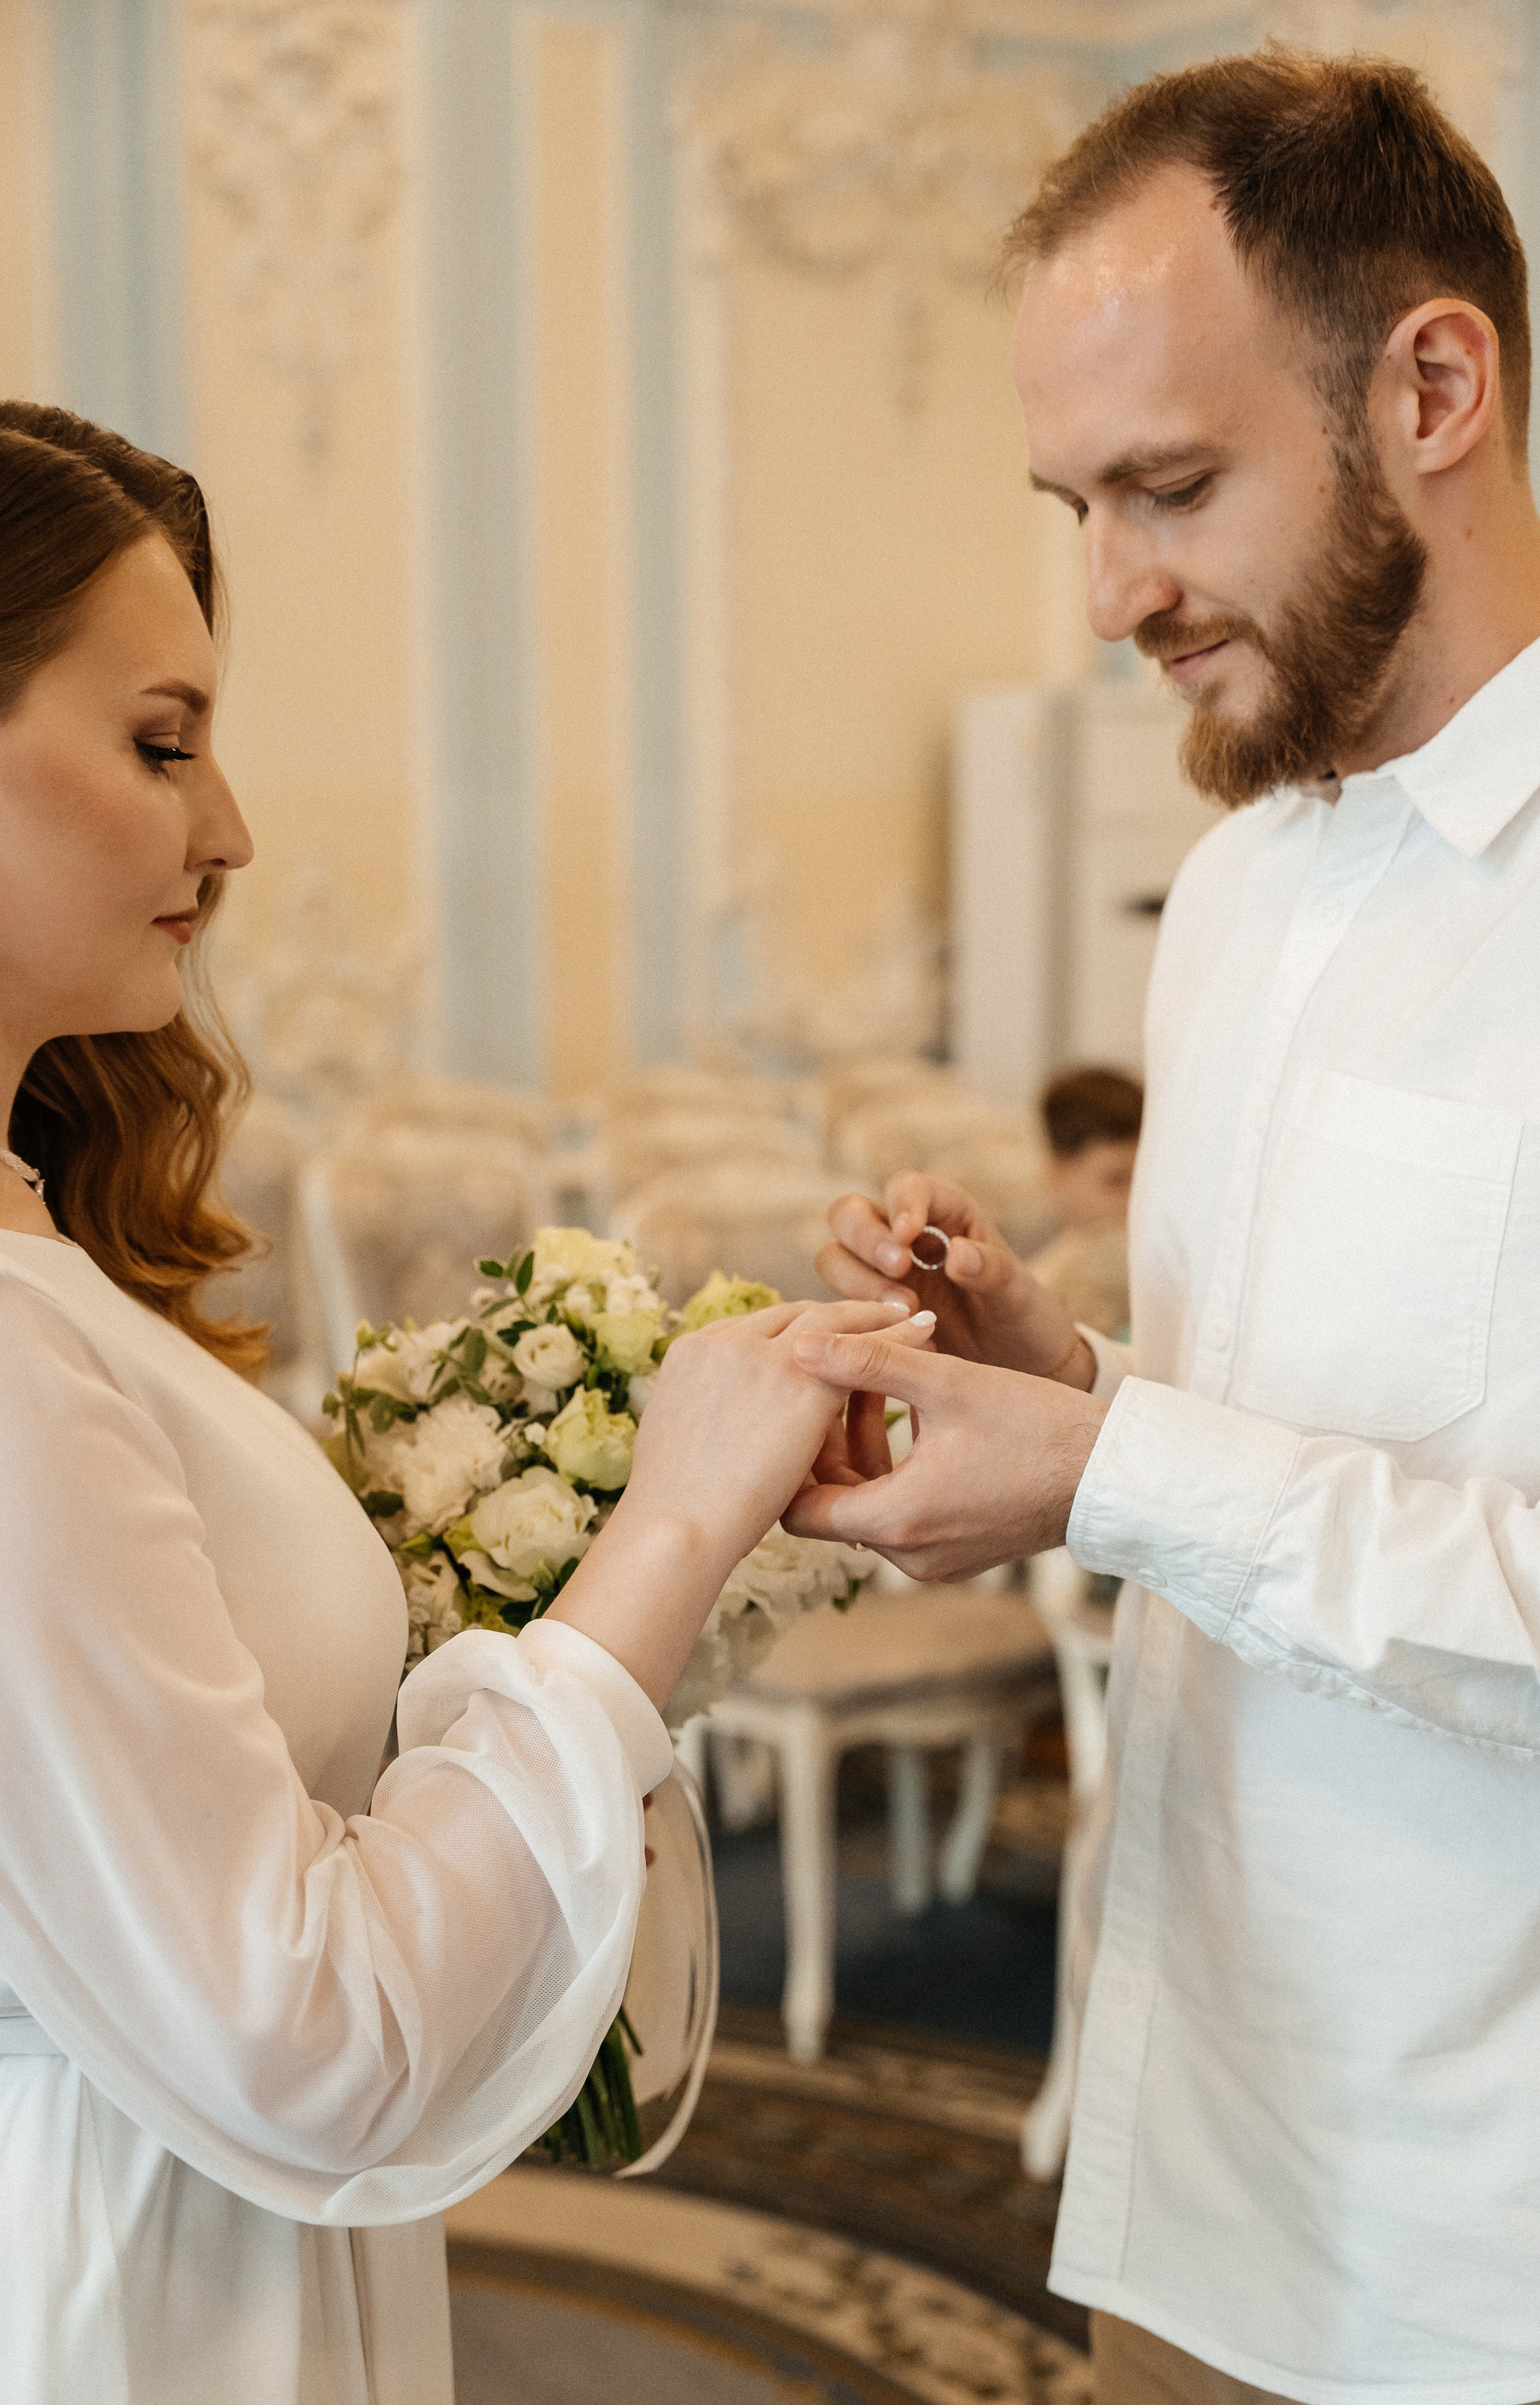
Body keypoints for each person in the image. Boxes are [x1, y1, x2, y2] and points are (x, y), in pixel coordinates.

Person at [791, 49, 1540, 2405]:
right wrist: (1065, 1380)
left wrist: (1110, 1477)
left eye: (1165, 487)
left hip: (1510, 2236)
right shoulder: (1235, 880)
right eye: (1071, 502)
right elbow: (1299, 1461)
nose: (1102, 594)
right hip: (1179, 2152)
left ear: (1429, 384)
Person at [0, 402, 928, 2404]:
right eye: (159, 742)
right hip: (132, 2297)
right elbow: (305, 2023)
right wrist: (663, 1528)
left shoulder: (39, 1260)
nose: (230, 829)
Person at [1029, 1064, 1143, 1337]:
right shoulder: (1037, 1292)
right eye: (1116, 1181)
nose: (1134, 1203)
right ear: (1057, 1175)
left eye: (1143, 1184)